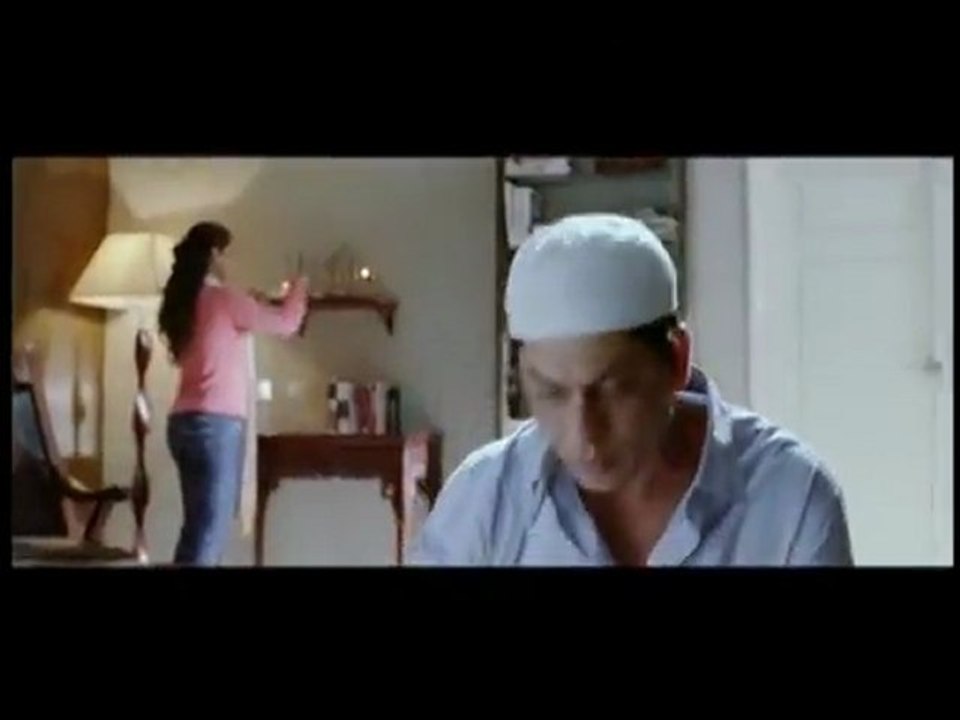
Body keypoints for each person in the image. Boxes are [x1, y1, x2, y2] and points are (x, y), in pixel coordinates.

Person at [409, 213, 854, 566]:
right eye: (552, 393)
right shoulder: (483, 499)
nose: (584, 436)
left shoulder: (791, 496)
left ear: (677, 360)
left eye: (614, 390)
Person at [158, 221, 308, 566]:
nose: (231, 263)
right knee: (210, 529)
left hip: (182, 423)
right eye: (228, 254)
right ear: (215, 255)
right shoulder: (224, 299)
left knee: (196, 527)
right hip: (216, 425)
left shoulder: (185, 301)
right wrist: (300, 285)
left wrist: (252, 301)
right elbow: (287, 323)